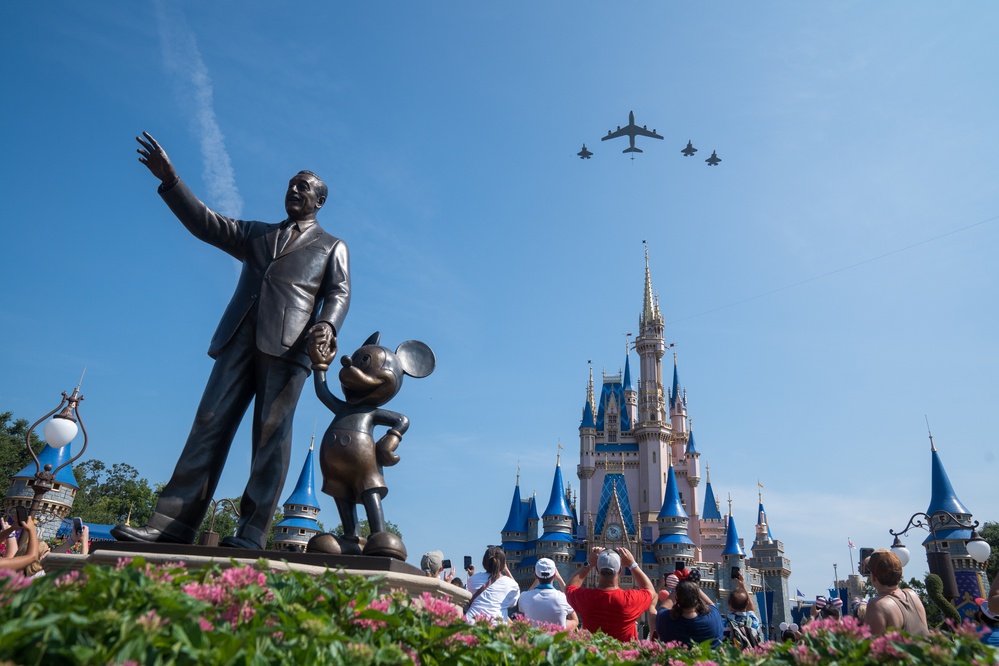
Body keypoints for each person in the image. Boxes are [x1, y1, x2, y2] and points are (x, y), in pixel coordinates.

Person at [112, 133, 350, 550]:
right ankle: (172, 523)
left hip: (290, 346)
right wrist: (171, 181)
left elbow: (339, 293)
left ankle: (253, 531)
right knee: (208, 424)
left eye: (304, 187)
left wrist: (327, 326)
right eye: (291, 183)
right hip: (237, 338)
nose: (294, 190)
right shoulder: (255, 234)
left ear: (319, 201)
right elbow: (206, 222)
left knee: (270, 437)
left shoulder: (332, 246)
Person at [565, 546, 655, 642]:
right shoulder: (630, 599)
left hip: (593, 654)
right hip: (624, 655)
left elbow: (569, 588)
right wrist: (632, 565)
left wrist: (588, 564)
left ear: (597, 570)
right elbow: (650, 591)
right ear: (620, 570)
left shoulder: (586, 598)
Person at [864, 549, 929, 637]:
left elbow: (871, 647)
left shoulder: (877, 606)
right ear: (900, 574)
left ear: (873, 577)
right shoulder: (912, 594)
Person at [656, 579, 725, 648]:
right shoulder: (713, 617)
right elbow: (711, 604)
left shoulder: (665, 619)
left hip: (677, 658)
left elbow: (663, 608)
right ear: (697, 597)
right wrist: (694, 587)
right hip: (709, 658)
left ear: (676, 598)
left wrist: (676, 590)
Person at [518, 557, 579, 630]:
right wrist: (559, 577)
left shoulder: (524, 597)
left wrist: (538, 578)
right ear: (554, 575)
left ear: (535, 575)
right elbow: (569, 596)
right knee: (574, 621)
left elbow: (524, 604)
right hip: (557, 639)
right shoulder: (563, 598)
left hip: (534, 639)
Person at [465, 546, 520, 622]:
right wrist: (506, 570)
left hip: (472, 622)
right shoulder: (511, 584)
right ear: (503, 564)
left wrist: (472, 575)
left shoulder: (472, 579)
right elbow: (514, 600)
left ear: (484, 562)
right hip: (496, 626)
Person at [722, 569, 762, 648]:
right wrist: (742, 585)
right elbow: (751, 608)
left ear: (729, 603)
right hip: (750, 657)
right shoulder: (753, 620)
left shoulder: (723, 621)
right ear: (746, 603)